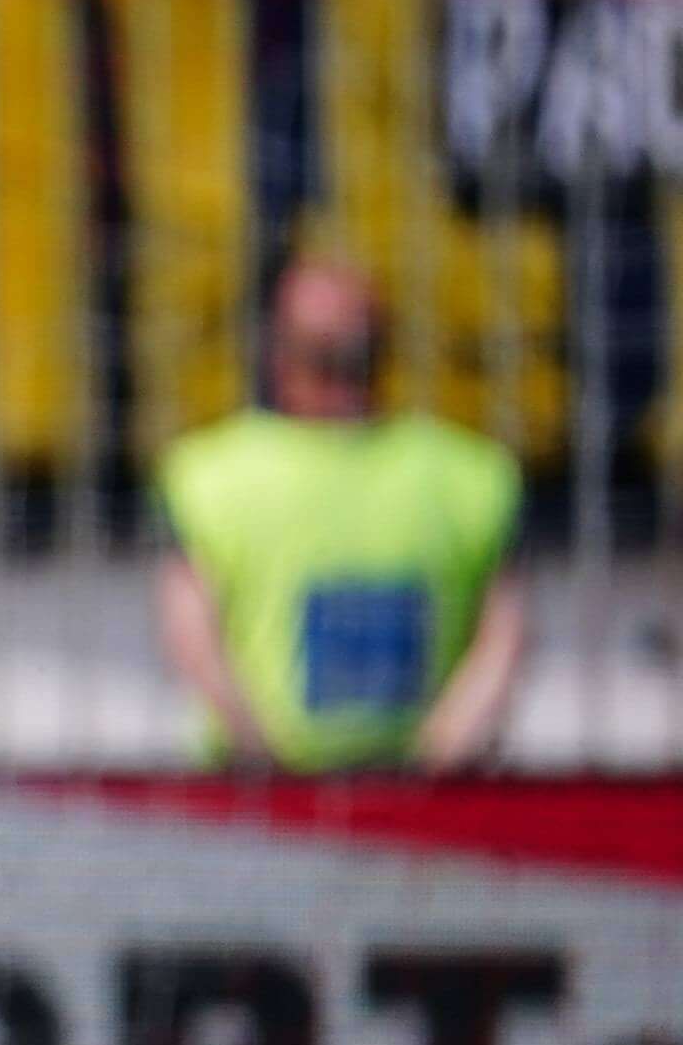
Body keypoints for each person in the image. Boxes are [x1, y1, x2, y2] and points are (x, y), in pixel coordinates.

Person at [154, 251, 527, 773]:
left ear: (277, 357)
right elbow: (502, 644)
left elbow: (194, 642)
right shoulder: (470, 475)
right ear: (386, 353)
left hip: (253, 812)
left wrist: (269, 770)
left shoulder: (208, 476)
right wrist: (430, 773)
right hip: (425, 816)